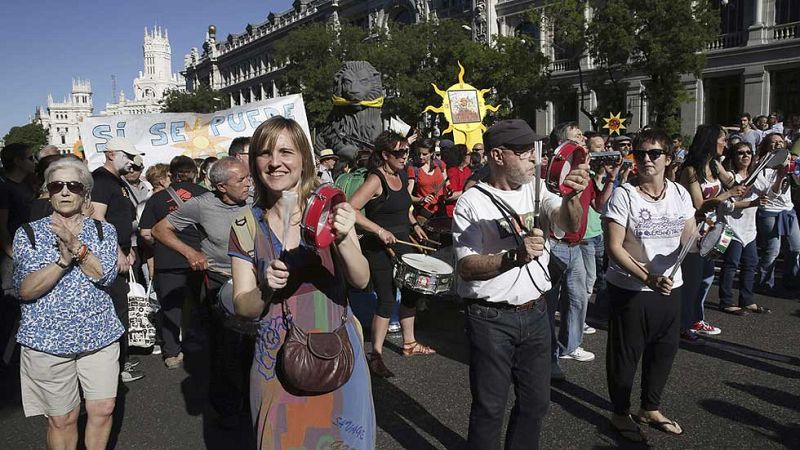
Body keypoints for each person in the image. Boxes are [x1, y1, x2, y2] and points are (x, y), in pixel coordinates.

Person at [229, 116, 375, 448]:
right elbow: (243, 306)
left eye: (285, 152)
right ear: (254, 163)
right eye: (265, 153)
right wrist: (265, 287)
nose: (275, 162)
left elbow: (361, 279)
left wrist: (342, 238)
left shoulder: (330, 206)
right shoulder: (244, 224)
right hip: (275, 362)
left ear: (303, 160)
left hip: (336, 350)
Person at [453, 119, 589, 449]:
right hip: (490, 318)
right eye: (525, 152)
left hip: (536, 311)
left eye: (535, 151)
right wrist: (513, 257)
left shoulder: (537, 188)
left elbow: (568, 224)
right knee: (490, 407)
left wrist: (572, 195)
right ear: (497, 155)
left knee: (536, 403)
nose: (534, 159)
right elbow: (466, 267)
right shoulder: (472, 202)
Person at [14, 157, 122, 450]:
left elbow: (105, 276)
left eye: (72, 185)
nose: (64, 192)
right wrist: (62, 261)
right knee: (63, 419)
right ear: (47, 191)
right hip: (46, 340)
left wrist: (76, 247)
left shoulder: (103, 231)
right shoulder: (29, 233)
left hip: (99, 335)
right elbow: (26, 289)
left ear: (85, 192)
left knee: (103, 408)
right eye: (56, 185)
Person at [603, 129, 697, 443]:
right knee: (625, 354)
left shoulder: (680, 193)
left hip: (671, 286)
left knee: (664, 349)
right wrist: (648, 277)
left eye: (654, 154)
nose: (646, 159)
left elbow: (690, 238)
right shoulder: (624, 195)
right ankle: (619, 412)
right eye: (640, 153)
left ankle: (650, 408)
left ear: (668, 159)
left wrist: (709, 237)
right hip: (632, 288)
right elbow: (614, 247)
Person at [152, 156, 251, 426]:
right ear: (221, 186)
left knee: (257, 344)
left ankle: (258, 401)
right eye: (240, 180)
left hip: (256, 280)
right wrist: (190, 252)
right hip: (220, 281)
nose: (248, 184)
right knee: (226, 348)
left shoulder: (257, 198)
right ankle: (228, 409)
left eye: (248, 177)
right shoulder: (201, 205)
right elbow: (160, 230)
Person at [349, 130, 433, 378]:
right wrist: (379, 230)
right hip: (379, 246)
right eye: (400, 152)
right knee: (386, 298)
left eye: (407, 151)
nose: (405, 156)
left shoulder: (401, 174)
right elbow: (351, 208)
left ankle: (409, 343)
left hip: (403, 241)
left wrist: (415, 226)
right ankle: (375, 354)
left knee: (411, 292)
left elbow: (404, 208)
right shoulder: (376, 179)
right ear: (385, 155)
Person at [139, 156, 207, 368]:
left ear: (171, 174)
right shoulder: (206, 195)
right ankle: (199, 346)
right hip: (200, 256)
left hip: (167, 258)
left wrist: (159, 245)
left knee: (170, 307)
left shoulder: (157, 199)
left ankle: (171, 353)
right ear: (194, 172)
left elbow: (146, 233)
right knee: (200, 305)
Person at [678, 124, 740, 341]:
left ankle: (696, 318)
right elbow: (698, 204)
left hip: (710, 231)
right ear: (711, 141)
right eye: (723, 139)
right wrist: (728, 194)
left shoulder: (714, 164)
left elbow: (734, 182)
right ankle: (683, 324)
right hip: (691, 231)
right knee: (692, 280)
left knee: (706, 278)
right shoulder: (690, 170)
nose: (725, 143)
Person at [90, 137, 145, 382]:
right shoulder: (101, 180)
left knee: (121, 308)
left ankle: (119, 362)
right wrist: (117, 251)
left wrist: (127, 245)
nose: (132, 162)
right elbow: (98, 218)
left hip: (121, 250)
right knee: (116, 309)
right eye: (128, 155)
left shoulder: (114, 180)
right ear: (111, 154)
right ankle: (114, 368)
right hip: (109, 256)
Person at [718, 142, 769, 314]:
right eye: (740, 153)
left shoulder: (757, 176)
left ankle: (747, 300)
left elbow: (771, 193)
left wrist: (782, 174)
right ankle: (726, 301)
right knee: (731, 265)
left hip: (749, 230)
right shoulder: (729, 177)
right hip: (731, 229)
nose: (745, 156)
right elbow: (727, 206)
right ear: (733, 156)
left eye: (748, 152)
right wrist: (752, 203)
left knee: (750, 264)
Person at [752, 132, 799, 290]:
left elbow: (797, 182)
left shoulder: (790, 163)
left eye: (780, 141)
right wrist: (779, 177)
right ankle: (765, 283)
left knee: (795, 248)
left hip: (788, 210)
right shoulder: (760, 166)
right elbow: (769, 194)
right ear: (766, 146)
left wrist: (793, 171)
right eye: (773, 142)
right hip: (769, 211)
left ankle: (791, 280)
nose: (777, 144)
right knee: (773, 250)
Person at [407, 138, 448, 223]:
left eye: (424, 154)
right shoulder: (413, 169)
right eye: (419, 153)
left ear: (432, 153)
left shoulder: (440, 164)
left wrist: (449, 191)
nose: (421, 156)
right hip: (424, 213)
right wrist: (421, 199)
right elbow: (407, 195)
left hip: (441, 211)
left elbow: (446, 183)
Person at [442, 144, 472, 218]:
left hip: (466, 211)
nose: (471, 156)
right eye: (469, 154)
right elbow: (449, 197)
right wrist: (468, 190)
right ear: (463, 156)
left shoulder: (467, 170)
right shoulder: (452, 171)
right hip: (454, 213)